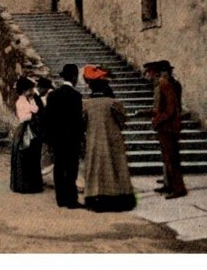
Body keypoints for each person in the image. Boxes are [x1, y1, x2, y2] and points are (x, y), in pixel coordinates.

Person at [81, 71, 136, 212]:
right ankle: (119, 196)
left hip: (94, 139)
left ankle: (96, 196)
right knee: (116, 167)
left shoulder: (86, 104)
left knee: (96, 168)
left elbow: (82, 123)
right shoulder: (114, 103)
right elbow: (123, 121)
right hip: (113, 138)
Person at [143, 60, 187, 199]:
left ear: (154, 72)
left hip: (168, 127)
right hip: (165, 127)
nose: (147, 75)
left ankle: (178, 188)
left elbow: (171, 108)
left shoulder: (164, 84)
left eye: (148, 72)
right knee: (167, 158)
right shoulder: (160, 85)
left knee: (172, 158)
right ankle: (170, 185)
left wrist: (157, 120)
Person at [44, 64, 85, 208]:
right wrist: (81, 140)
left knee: (59, 167)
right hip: (71, 139)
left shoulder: (53, 95)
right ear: (74, 77)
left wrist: (49, 140)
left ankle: (60, 199)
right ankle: (71, 200)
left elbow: (47, 119)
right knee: (71, 169)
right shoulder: (76, 96)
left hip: (57, 139)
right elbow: (78, 121)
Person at [10, 76, 45, 193]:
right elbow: (24, 116)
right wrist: (33, 113)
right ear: (24, 90)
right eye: (30, 89)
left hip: (31, 128)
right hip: (25, 129)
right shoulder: (21, 101)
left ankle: (33, 184)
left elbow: (37, 108)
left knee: (32, 156)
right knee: (25, 155)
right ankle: (25, 185)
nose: (32, 91)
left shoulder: (29, 99)